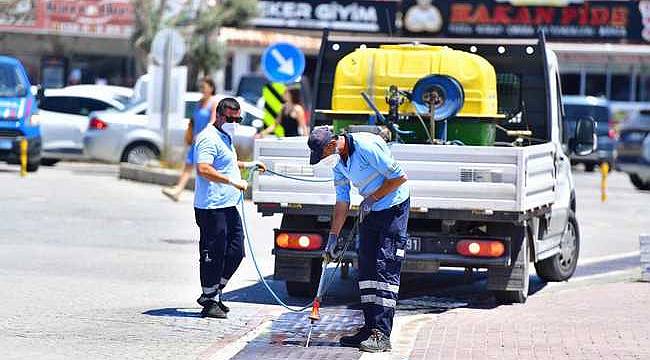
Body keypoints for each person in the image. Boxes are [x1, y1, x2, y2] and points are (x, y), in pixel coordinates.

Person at [307, 127, 409, 352]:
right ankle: (369, 327)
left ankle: (382, 334)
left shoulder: (366, 147)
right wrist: (333, 237)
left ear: (331, 145)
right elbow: (342, 200)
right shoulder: (338, 163)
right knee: (367, 269)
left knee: (385, 269)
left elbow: (399, 177)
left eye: (321, 155)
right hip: (372, 209)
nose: (323, 160)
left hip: (393, 207)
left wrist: (373, 197)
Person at [193, 97, 266, 318]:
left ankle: (215, 293)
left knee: (236, 251)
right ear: (220, 115)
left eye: (239, 118)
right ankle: (210, 300)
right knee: (213, 253)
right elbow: (203, 169)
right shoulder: (207, 138)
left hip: (228, 204)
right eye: (232, 118)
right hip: (212, 207)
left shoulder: (225, 136)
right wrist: (233, 182)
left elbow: (225, 163)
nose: (236, 122)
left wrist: (248, 165)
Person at [162, 77, 217, 201]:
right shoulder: (200, 102)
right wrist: (190, 133)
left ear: (211, 88)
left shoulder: (213, 103)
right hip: (195, 140)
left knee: (204, 168)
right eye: (201, 87)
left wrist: (202, 135)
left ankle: (209, 195)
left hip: (205, 140)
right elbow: (193, 120)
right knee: (189, 164)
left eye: (204, 87)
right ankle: (178, 190)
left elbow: (213, 121)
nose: (202, 89)